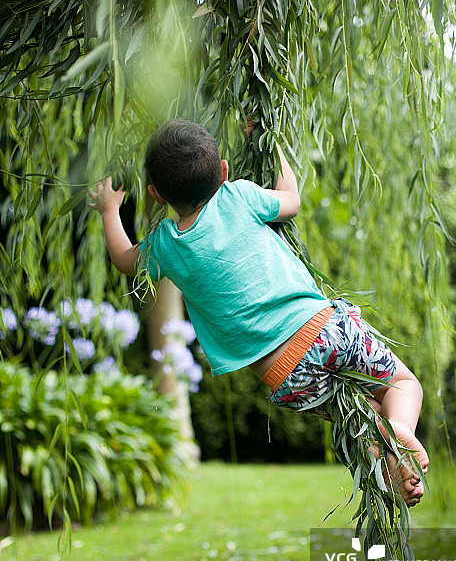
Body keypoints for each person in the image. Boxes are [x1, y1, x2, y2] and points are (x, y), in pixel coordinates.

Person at [88, 118, 429, 505]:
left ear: (156, 194)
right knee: (402, 386)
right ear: (223, 171)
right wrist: (272, 142)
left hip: (285, 374)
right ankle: (400, 428)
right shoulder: (238, 197)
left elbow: (123, 259)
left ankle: (391, 468)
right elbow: (291, 199)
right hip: (323, 329)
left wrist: (109, 209)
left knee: (362, 417)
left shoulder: (166, 245)